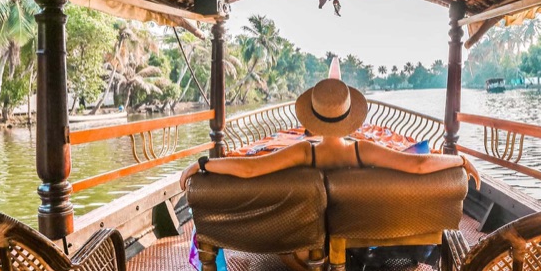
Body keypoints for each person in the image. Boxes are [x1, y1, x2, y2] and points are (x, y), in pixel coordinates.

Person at [180, 78, 480, 189]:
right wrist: (460, 161)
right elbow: (419, 164)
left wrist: (204, 164)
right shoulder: (363, 150)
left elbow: (249, 168)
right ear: (352, 119)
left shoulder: (302, 151)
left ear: (312, 118)